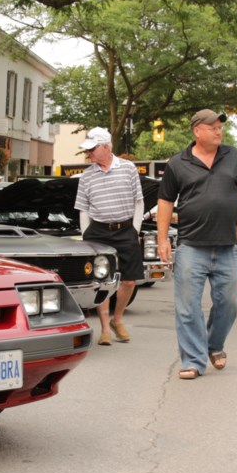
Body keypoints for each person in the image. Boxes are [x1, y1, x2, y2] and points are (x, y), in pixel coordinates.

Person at [157, 109, 237, 379]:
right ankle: (192, 360)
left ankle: (214, 344)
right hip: (191, 245)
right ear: (197, 131)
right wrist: (162, 238)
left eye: (220, 126)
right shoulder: (178, 163)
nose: (218, 130)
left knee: (230, 303)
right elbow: (165, 201)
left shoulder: (233, 157)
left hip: (227, 245)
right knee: (188, 306)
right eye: (212, 126)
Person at [74, 127, 145, 346]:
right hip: (98, 231)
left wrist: (135, 229)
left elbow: (138, 201)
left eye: (92, 149)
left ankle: (117, 319)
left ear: (106, 147)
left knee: (130, 280)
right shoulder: (87, 176)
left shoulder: (128, 168)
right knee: (101, 280)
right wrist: (86, 233)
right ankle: (105, 328)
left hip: (125, 229)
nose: (89, 154)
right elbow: (83, 208)